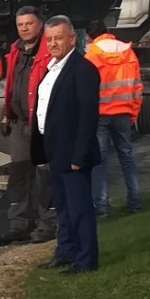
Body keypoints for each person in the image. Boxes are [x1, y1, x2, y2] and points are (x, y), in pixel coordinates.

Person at [31, 15, 101, 275]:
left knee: (80, 208)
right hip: (54, 150)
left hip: (73, 152)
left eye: (58, 38)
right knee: (62, 207)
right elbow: (43, 111)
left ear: (72, 38)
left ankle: (86, 260)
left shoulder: (83, 70)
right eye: (49, 39)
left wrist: (79, 154)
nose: (53, 43)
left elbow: (88, 115)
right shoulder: (50, 69)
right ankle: (66, 251)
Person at [0, 6, 56, 243]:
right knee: (19, 174)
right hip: (19, 122)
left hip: (42, 124)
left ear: (40, 25)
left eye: (28, 24)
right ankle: (20, 222)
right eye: (20, 24)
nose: (24, 28)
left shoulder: (49, 51)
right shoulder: (16, 51)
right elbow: (11, 85)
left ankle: (48, 223)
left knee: (45, 176)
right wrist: (6, 114)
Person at [85, 20, 143, 217]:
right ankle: (135, 202)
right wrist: (133, 112)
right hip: (123, 113)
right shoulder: (128, 51)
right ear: (108, 31)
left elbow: (88, 89)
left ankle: (102, 207)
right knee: (126, 157)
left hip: (100, 115)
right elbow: (136, 86)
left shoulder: (91, 54)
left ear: (89, 36)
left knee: (99, 161)